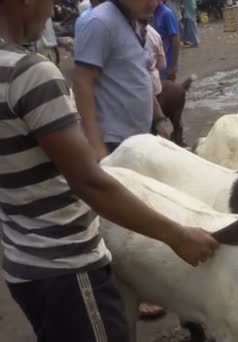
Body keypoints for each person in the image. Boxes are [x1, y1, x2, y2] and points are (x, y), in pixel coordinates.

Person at [0, 0, 219, 341]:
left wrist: (158, 115)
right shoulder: (31, 73)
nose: (50, 14)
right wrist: (178, 236)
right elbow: (90, 183)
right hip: (67, 268)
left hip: (23, 263)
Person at [74, 0, 173, 160]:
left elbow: (138, 75)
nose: (154, 3)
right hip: (114, 143)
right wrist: (96, 145)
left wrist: (159, 117)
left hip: (139, 138)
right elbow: (82, 82)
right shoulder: (100, 22)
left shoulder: (136, 22)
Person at [154, 0, 181, 80]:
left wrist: (173, 67)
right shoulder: (153, 13)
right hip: (157, 62)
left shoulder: (167, 14)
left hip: (167, 64)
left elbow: (175, 41)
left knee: (167, 90)